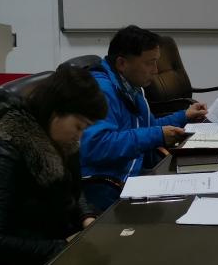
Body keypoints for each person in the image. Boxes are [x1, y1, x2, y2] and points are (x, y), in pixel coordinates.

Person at [0, 64, 109, 265]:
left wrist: (86, 216)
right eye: (79, 126)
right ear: (56, 112)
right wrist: (61, 248)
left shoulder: (57, 139)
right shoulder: (2, 155)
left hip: (43, 244)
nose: (79, 136)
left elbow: (70, 190)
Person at [80, 25, 208, 210]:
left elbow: (147, 127)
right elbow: (98, 145)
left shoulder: (130, 86)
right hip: (110, 188)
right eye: (150, 63)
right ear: (122, 63)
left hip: (134, 175)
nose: (155, 70)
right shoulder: (101, 91)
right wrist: (158, 135)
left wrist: (184, 116)